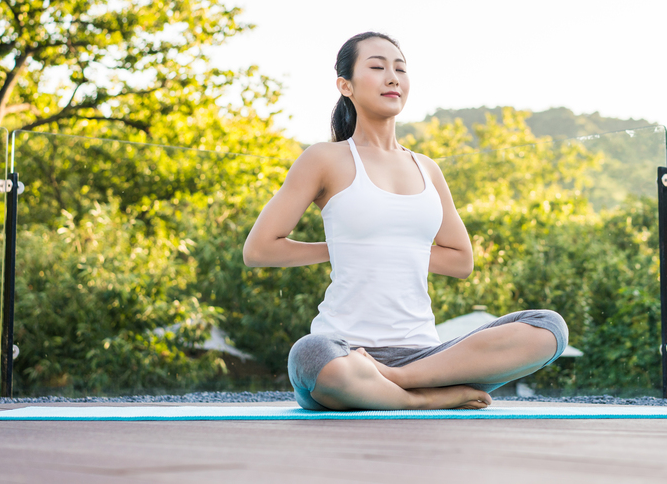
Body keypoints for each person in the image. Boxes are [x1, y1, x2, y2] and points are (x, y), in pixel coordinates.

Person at [243, 32, 568, 411]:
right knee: (311, 356)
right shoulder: (324, 158)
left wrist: (392, 250)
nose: (392, 77)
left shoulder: (427, 168)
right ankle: (425, 400)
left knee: (548, 328)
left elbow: (460, 260)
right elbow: (260, 249)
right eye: (377, 67)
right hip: (346, 353)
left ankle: (401, 384)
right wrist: (344, 249)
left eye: (400, 68)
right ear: (345, 85)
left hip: (427, 358)